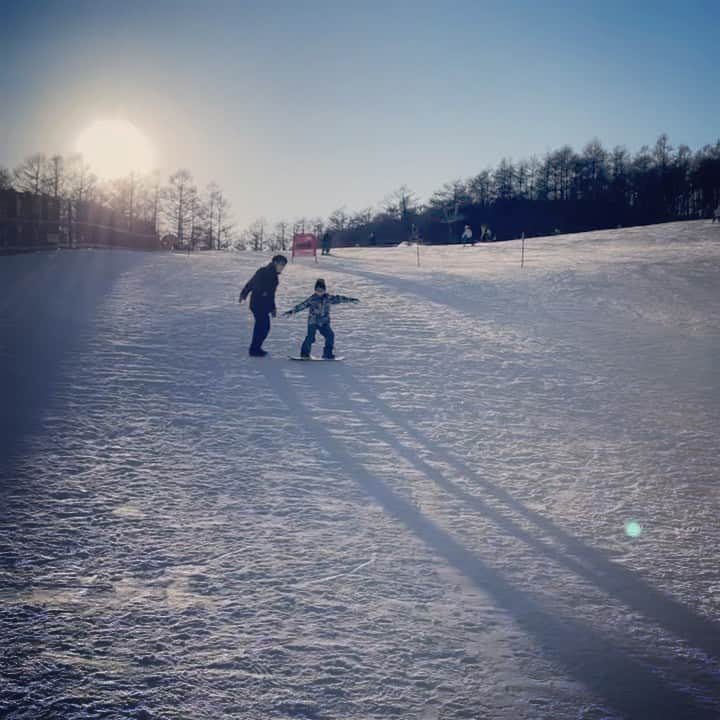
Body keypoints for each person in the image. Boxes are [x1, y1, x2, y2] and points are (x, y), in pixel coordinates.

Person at [283, 278, 359, 359]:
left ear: (324, 290)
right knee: (310, 337)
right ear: (315, 290)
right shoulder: (312, 299)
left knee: (330, 335)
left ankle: (327, 354)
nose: (319, 292)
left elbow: (339, 298)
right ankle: (305, 354)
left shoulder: (328, 298)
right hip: (313, 322)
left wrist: (351, 300)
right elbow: (302, 305)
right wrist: (292, 311)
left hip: (324, 322)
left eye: (321, 290)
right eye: (317, 290)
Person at [238, 254, 288, 356]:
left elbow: (271, 294)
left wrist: (273, 308)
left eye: (284, 265)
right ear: (275, 263)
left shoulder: (274, 276)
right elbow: (251, 283)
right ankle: (254, 350)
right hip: (257, 303)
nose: (282, 267)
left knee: (264, 327)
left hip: (264, 305)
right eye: (281, 264)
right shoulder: (263, 271)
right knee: (262, 326)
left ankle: (256, 348)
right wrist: (244, 294)